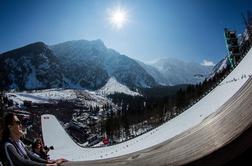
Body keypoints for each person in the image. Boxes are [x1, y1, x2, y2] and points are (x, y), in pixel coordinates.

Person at [1, 113, 68, 166]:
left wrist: (48, 161)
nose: (21, 125)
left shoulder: (19, 142)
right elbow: (21, 162)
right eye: (18, 122)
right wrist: (46, 165)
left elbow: (31, 156)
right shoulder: (8, 145)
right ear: (10, 127)